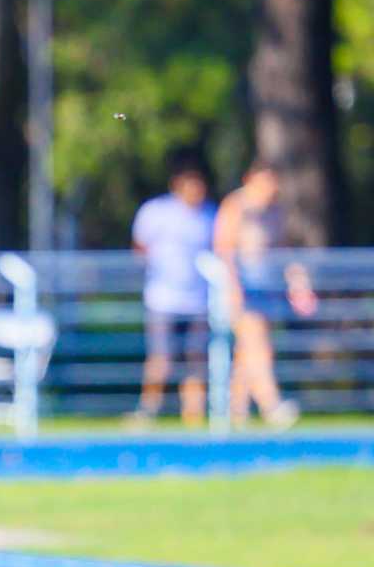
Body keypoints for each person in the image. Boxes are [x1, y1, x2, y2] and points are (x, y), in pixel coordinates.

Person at [214, 158, 318, 426]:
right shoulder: (236, 206)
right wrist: (233, 287)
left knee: (246, 353)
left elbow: (283, 250)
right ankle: (271, 406)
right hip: (242, 288)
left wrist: (298, 283)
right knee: (259, 347)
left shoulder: (276, 210)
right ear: (252, 179)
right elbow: (224, 248)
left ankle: (236, 413)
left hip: (267, 287)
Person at [129, 151, 214, 424]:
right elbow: (139, 248)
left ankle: (193, 414)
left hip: (200, 300)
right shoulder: (156, 212)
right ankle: (148, 409)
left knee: (197, 359)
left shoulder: (210, 215)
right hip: (162, 299)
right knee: (160, 358)